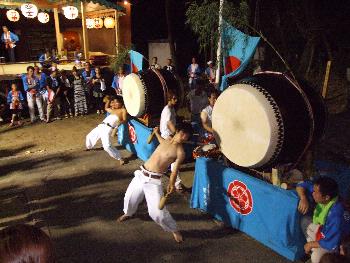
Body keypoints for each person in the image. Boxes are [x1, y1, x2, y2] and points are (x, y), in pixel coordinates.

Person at [117, 122, 193, 243]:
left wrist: (171, 184)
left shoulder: (180, 152)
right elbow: (162, 142)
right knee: (130, 197)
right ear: (179, 131)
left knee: (157, 213)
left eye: (187, 136)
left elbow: (174, 171)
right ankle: (128, 213)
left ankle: (174, 229)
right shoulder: (167, 139)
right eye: (184, 134)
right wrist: (156, 133)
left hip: (154, 181)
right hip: (141, 174)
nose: (184, 137)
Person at [296, 177, 348, 263]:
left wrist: (310, 244)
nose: (313, 193)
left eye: (316, 192)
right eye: (313, 190)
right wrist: (303, 198)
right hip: (326, 231)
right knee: (305, 221)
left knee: (316, 257)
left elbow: (331, 242)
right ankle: (313, 249)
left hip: (337, 244)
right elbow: (301, 184)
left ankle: (314, 252)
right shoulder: (325, 193)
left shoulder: (336, 217)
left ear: (326, 197)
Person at [86, 96, 127, 165]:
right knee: (89, 136)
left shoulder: (123, 110)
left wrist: (117, 125)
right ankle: (89, 147)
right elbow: (106, 108)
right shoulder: (113, 110)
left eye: (117, 102)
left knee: (107, 146)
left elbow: (124, 119)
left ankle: (120, 158)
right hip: (101, 125)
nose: (115, 104)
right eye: (114, 102)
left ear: (121, 103)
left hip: (108, 128)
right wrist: (109, 100)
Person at [160, 90, 183, 191]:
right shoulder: (167, 111)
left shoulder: (171, 108)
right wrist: (177, 134)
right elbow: (169, 124)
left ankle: (163, 170)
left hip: (169, 136)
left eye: (176, 98)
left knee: (169, 158)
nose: (176, 100)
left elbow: (173, 120)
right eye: (174, 99)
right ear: (169, 99)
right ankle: (177, 183)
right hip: (168, 137)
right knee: (175, 159)